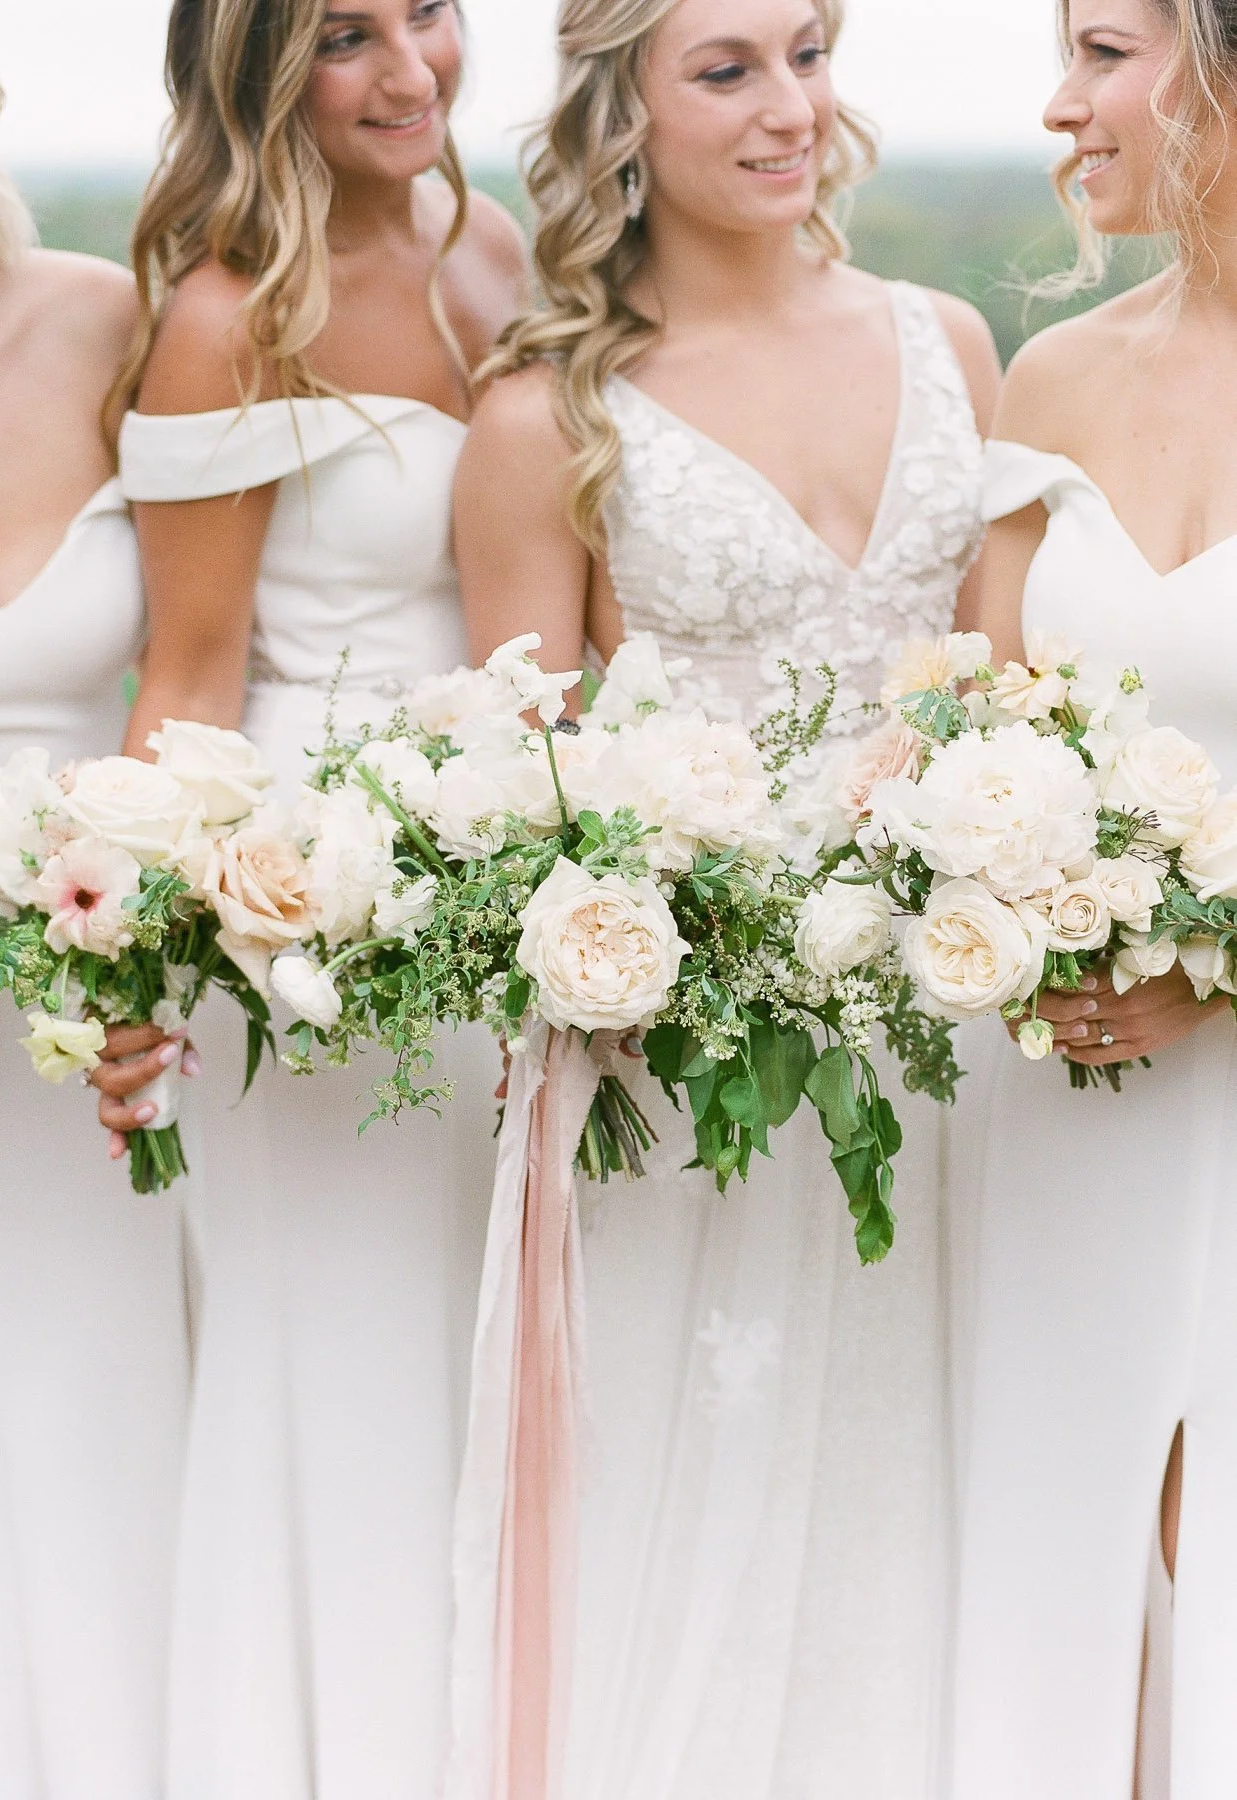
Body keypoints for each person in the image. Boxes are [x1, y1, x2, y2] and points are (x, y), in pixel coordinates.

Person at [450, 0, 1000, 1792]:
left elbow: (1012, 692)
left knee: (959, 1499)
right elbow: (522, 795)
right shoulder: (544, 418)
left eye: (809, 53)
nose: (789, 108)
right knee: (722, 1523)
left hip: (971, 1026)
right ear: (618, 112)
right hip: (708, 1073)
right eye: (726, 69)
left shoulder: (946, 341)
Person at [97, 2, 528, 1793]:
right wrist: (128, 966)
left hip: (508, 895)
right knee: (342, 1386)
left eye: (427, 10)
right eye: (345, 35)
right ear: (259, 66)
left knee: (481, 1383)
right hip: (306, 930)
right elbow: (187, 675)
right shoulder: (227, 318)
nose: (411, 69)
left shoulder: (488, 247)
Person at [949, 1, 1237, 1794]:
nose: (1060, 104)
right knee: (1067, 1562)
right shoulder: (1048, 382)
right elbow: (969, 727)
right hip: (1069, 1087)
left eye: (1103, 49)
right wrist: (978, 895)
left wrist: (1212, 974)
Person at [0, 7, 191, 1796]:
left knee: (135, 1448)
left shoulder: (109, 322)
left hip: (128, 1018)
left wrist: (148, 921)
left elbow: (215, 652)